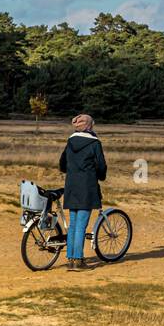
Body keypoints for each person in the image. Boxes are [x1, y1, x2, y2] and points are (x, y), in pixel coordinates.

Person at [58, 113, 107, 272]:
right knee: (81, 224)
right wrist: (100, 176)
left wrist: (71, 171)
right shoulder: (94, 143)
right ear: (89, 125)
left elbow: (62, 163)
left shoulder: (71, 141)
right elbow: (101, 166)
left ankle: (71, 259)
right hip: (87, 186)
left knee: (73, 224)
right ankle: (78, 261)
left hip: (71, 185)